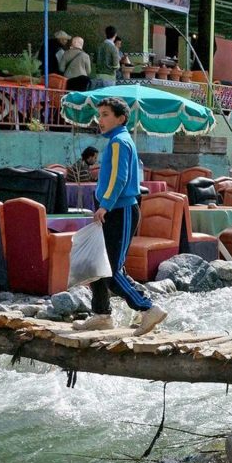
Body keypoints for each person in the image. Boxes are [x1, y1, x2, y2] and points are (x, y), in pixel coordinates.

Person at [73, 97, 167, 335]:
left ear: (120, 118)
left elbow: (119, 178)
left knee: (113, 271)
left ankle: (148, 308)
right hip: (112, 210)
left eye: (105, 114)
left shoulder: (118, 142)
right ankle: (102, 315)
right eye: (100, 114)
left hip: (119, 210)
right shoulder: (118, 141)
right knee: (97, 263)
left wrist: (105, 205)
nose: (100, 119)